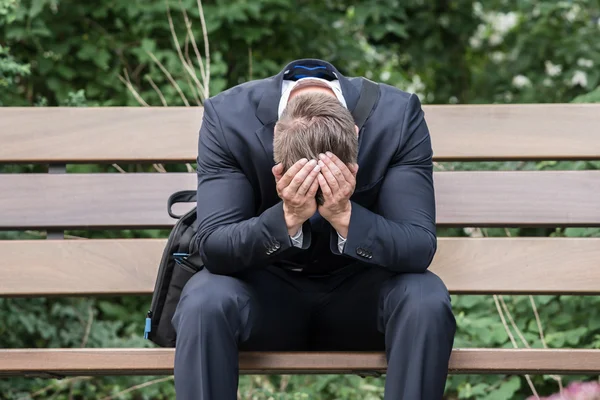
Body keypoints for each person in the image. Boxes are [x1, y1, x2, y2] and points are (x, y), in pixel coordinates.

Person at [172, 58, 456, 400]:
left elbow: (418, 247)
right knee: (204, 299)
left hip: (362, 298)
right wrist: (288, 216)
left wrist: (344, 214)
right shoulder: (228, 117)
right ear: (277, 137)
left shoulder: (397, 116)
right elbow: (216, 247)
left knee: (425, 296)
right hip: (265, 298)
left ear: (355, 134)